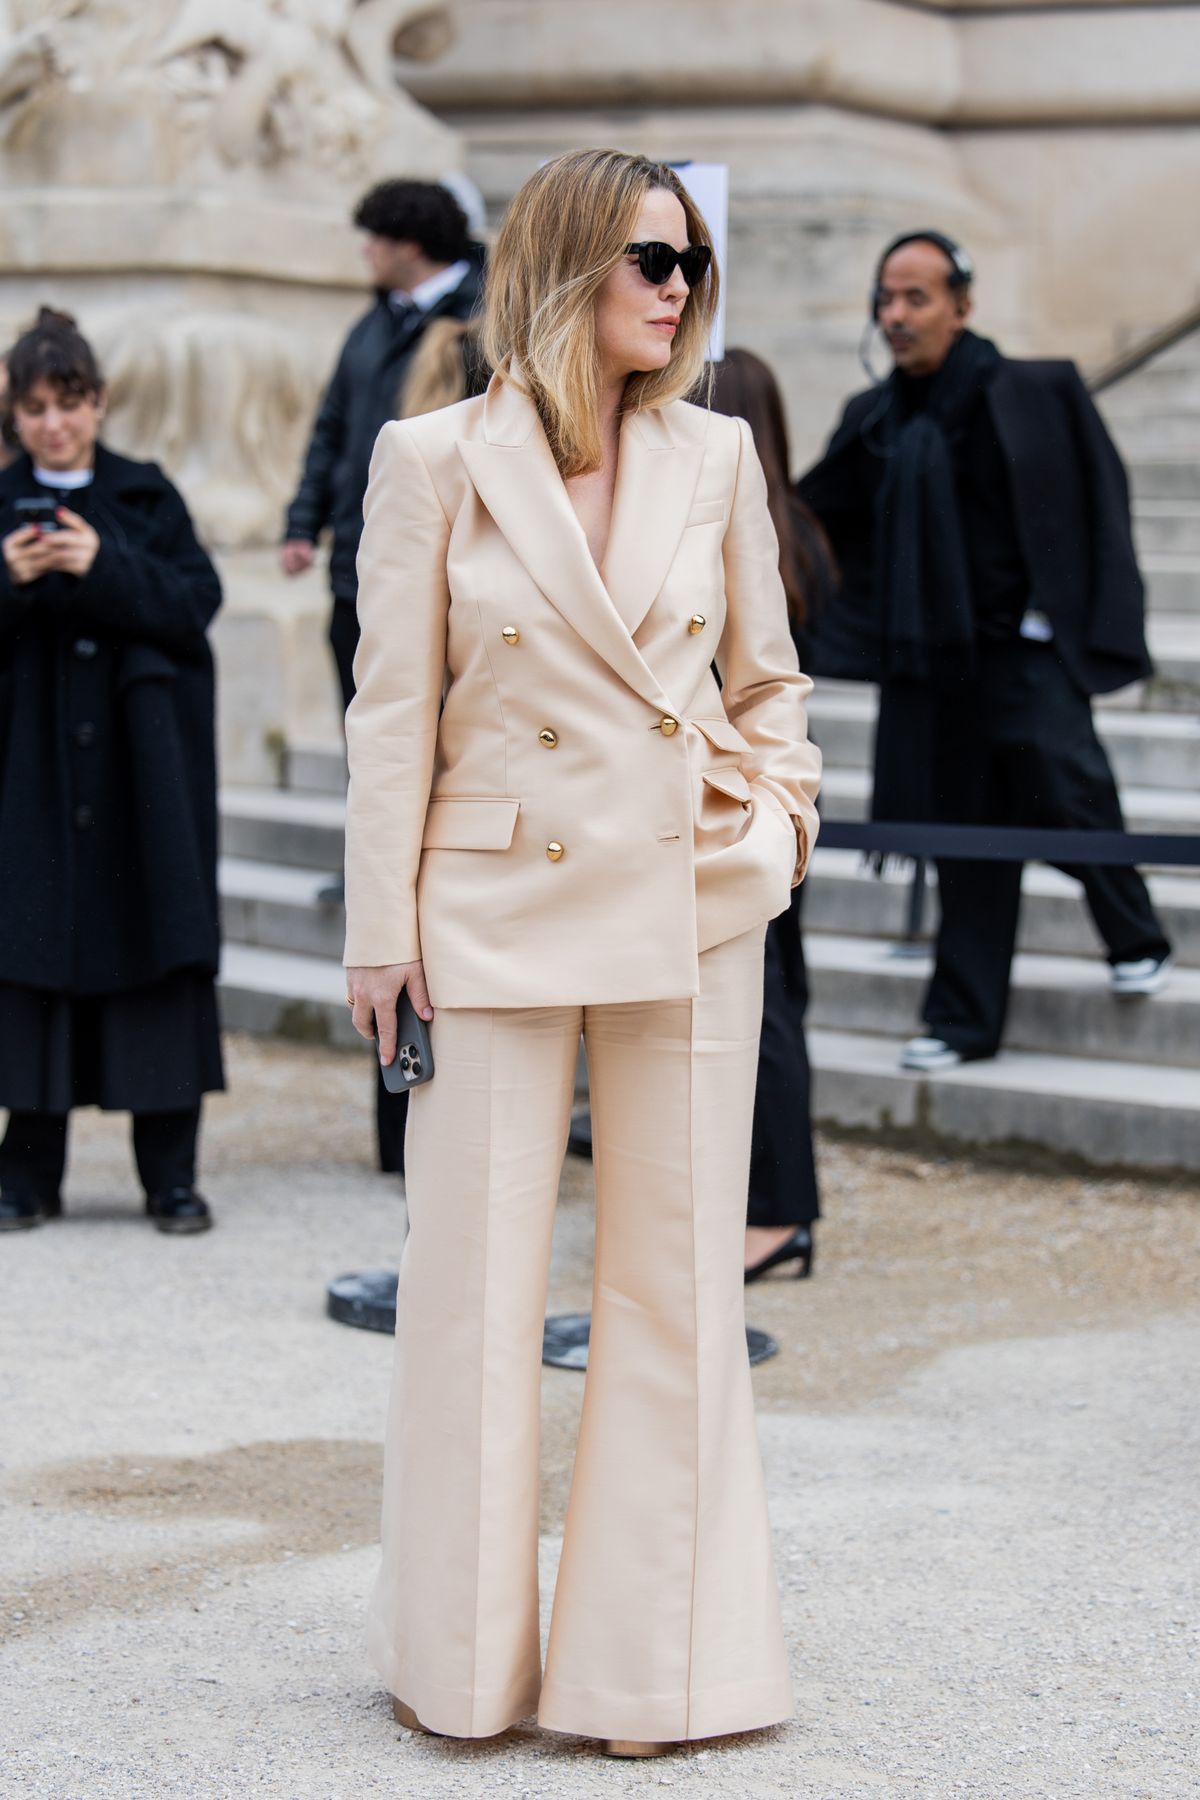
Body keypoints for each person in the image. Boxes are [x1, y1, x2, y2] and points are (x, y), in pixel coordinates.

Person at [343, 148, 821, 1755]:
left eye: (691, 264)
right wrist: (375, 927)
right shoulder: (432, 458)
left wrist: (778, 827)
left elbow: (770, 684)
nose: (679, 290)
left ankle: (657, 1676)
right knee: (469, 1287)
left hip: (690, 901)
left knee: (675, 1288)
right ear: (563, 265)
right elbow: (390, 710)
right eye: (649, 260)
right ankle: (461, 1670)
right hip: (487, 905)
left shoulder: (720, 454)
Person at [799, 231, 1172, 1070]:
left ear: (962, 306)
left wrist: (1067, 619)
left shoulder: (1035, 391)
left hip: (1023, 650)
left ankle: (1134, 935)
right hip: (931, 662)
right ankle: (964, 1022)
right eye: (885, 300)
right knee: (965, 831)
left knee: (1071, 793)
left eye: (916, 298)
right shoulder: (875, 418)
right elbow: (816, 520)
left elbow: (1095, 502)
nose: (895, 316)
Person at [0, 308, 223, 1232]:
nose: (55, 424)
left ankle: (169, 1176)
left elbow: (195, 602)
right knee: (30, 961)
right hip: (32, 783)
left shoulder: (144, 495)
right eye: (37, 408)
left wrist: (100, 563)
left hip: (143, 785)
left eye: (72, 403)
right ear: (15, 414)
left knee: (157, 964)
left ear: (99, 402)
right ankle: (25, 1175)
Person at [280, 178, 482, 1168]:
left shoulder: (482, 316)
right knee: (381, 766)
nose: (363, 255)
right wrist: (300, 522)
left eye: (372, 240)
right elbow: (331, 428)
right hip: (364, 571)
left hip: (460, 597)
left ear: (408, 241)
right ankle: (396, 1127)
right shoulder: (371, 330)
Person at [710, 348, 837, 1282]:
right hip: (753, 800)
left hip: (741, 800)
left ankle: (780, 1211)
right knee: (769, 1006)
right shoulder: (800, 528)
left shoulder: (753, 526)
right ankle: (768, 1203)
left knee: (769, 1014)